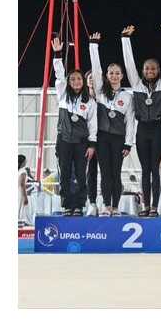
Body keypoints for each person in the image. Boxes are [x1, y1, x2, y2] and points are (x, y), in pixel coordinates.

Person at [121, 24, 161, 217]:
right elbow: (128, 63)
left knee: (155, 169)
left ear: (158, 70)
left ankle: (154, 207)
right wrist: (125, 39)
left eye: (153, 68)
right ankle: (145, 206)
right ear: (142, 71)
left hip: (157, 128)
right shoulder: (136, 84)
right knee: (145, 170)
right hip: (142, 129)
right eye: (147, 68)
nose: (150, 70)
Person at [88, 32, 134, 217]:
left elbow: (130, 121)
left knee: (116, 172)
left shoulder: (127, 96)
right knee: (105, 173)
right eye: (111, 73)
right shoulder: (100, 92)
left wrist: (128, 143)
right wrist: (94, 45)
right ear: (106, 76)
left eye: (117, 73)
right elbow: (96, 69)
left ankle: (116, 205)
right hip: (102, 138)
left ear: (122, 76)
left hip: (118, 139)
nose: (114, 76)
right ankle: (107, 205)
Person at [51, 37, 97, 216]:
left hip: (81, 143)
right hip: (63, 140)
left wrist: (92, 144)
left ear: (83, 82)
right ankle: (67, 205)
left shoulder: (90, 102)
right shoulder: (62, 95)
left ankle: (79, 205)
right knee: (64, 174)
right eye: (73, 79)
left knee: (79, 174)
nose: (76, 81)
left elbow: (93, 124)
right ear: (69, 82)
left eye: (79, 79)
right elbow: (59, 74)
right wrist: (57, 54)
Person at [84, 70, 99, 215]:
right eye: (89, 77)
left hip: (105, 138)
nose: (92, 80)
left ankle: (111, 203)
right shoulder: (83, 98)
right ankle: (92, 202)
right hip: (88, 141)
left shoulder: (104, 96)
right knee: (91, 172)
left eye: (94, 78)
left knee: (110, 173)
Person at [18, 154, 29, 226]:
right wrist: (25, 197)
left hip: (18, 191)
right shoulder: (23, 171)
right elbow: (22, 184)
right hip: (20, 193)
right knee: (20, 210)